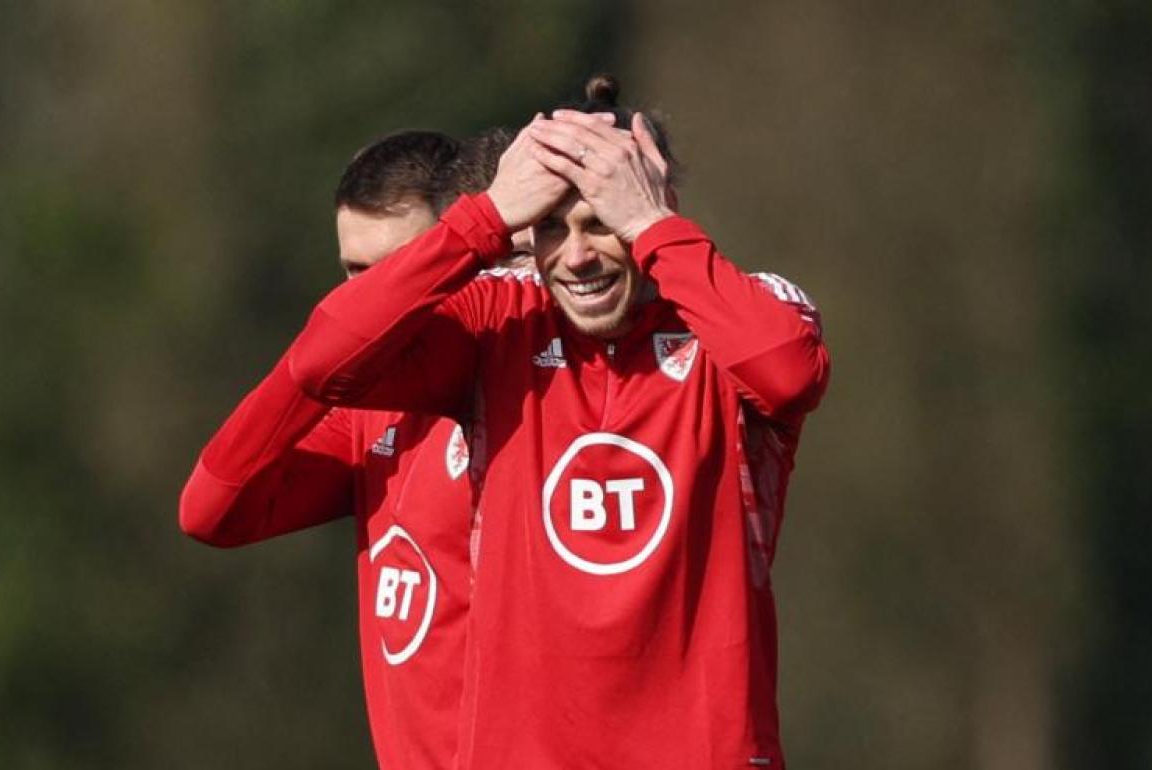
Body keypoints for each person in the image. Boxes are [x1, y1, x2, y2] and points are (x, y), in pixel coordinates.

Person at [284, 76, 830, 770]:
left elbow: (790, 374)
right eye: (549, 227)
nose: (574, 256)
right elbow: (326, 361)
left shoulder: (740, 317)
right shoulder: (501, 327)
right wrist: (482, 222)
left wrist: (656, 229)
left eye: (602, 221)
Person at [180, 128, 511, 770]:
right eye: (354, 274)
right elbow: (212, 509)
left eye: (399, 272)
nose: (371, 301)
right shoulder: (370, 415)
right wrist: (313, 368)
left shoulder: (519, 382)